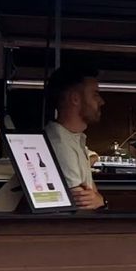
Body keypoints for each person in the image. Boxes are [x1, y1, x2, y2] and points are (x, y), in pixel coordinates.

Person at [43, 65, 106, 211]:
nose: (101, 101)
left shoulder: (73, 138)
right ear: (75, 99)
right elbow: (84, 204)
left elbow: (94, 197)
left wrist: (100, 200)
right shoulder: (59, 143)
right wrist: (101, 201)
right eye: (95, 94)